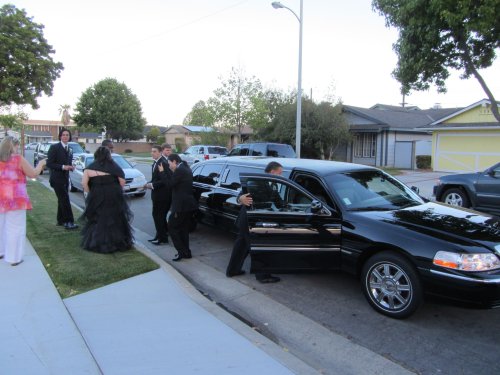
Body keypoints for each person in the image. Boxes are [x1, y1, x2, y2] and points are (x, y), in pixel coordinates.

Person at [226, 161, 283, 283]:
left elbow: (278, 201)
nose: (281, 176)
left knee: (241, 247)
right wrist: (240, 198)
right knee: (259, 248)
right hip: (249, 221)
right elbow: (242, 193)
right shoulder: (256, 181)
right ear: (272, 172)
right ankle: (263, 276)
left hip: (249, 220)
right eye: (280, 173)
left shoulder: (272, 185)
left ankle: (232, 270)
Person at [0, 136, 46, 266]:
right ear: (12, 146)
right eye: (17, 146)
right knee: (15, 228)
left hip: (1, 198)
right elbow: (33, 174)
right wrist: (41, 164)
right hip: (16, 200)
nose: (18, 148)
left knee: (1, 227)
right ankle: (14, 258)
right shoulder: (18, 159)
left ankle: (1, 251)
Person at [80, 146, 133, 253]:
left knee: (98, 218)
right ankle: (116, 242)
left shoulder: (89, 167)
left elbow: (84, 183)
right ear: (108, 155)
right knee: (114, 218)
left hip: (96, 195)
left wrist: (90, 192)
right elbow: (122, 182)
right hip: (113, 195)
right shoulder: (114, 166)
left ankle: (98, 242)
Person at [159, 153, 198, 261]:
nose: (169, 165)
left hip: (181, 206)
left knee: (172, 227)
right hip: (188, 205)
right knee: (183, 229)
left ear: (175, 161)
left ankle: (181, 252)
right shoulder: (185, 167)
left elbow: (169, 184)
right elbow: (175, 181)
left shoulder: (180, 170)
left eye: (170, 163)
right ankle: (186, 252)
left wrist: (162, 172)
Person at [46, 128, 78, 229]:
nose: (65, 136)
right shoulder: (54, 147)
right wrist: (63, 167)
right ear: (60, 136)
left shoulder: (70, 149)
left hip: (65, 178)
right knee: (65, 200)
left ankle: (60, 220)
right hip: (56, 179)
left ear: (69, 137)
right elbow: (49, 164)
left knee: (61, 200)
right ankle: (69, 222)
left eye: (67, 135)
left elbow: (68, 164)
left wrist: (71, 167)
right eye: (63, 135)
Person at [144, 145, 170, 245]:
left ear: (160, 152)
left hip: (162, 196)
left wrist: (151, 185)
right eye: (151, 151)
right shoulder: (156, 162)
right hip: (157, 195)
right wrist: (148, 183)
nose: (152, 153)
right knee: (158, 217)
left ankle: (162, 238)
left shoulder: (163, 163)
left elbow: (165, 181)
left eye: (154, 151)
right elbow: (156, 179)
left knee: (158, 216)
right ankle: (160, 236)